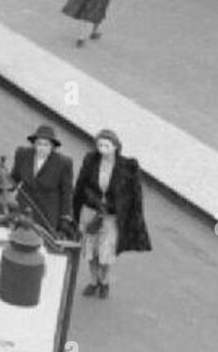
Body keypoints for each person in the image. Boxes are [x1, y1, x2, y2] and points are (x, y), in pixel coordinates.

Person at [73, 129, 152, 299]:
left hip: (110, 217)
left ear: (115, 146)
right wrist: (90, 201)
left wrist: (126, 211)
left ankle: (105, 281)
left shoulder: (127, 166)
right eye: (100, 145)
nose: (102, 149)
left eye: (106, 145)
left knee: (106, 254)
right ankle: (94, 282)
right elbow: (82, 185)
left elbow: (134, 194)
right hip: (90, 212)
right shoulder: (91, 161)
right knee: (91, 251)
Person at [9, 124, 75, 240]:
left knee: (38, 245)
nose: (41, 148)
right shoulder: (23, 154)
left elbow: (67, 194)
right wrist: (2, 184)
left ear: (52, 147)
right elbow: (14, 178)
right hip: (23, 207)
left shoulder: (63, 164)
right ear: (34, 144)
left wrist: (65, 219)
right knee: (15, 240)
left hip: (46, 214)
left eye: (46, 145)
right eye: (39, 144)